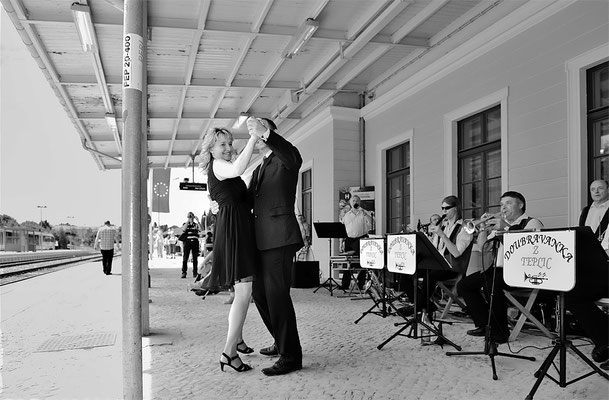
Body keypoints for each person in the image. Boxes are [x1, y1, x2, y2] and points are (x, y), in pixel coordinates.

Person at [246, 117, 304, 376]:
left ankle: (291, 356)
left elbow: (293, 156)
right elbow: (246, 199)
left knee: (277, 296)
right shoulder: (259, 168)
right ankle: (281, 342)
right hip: (260, 240)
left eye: (257, 130)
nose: (254, 135)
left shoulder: (286, 157)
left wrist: (266, 133)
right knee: (259, 293)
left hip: (280, 238)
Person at [201, 126, 259, 373]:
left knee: (242, 291)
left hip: (236, 226)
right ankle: (229, 352)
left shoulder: (222, 170)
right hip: (235, 229)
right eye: (222, 144)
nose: (227, 148)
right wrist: (255, 137)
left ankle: (238, 339)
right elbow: (238, 169)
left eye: (229, 143)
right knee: (244, 292)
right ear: (211, 149)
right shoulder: (219, 166)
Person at [457, 191, 543, 344]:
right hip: (497, 269)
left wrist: (507, 228)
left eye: (508, 203)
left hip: (521, 271)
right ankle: (485, 325)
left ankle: (500, 332)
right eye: (501, 204)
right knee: (464, 285)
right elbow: (483, 247)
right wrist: (483, 228)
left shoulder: (532, 222)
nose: (503, 208)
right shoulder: (500, 225)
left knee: (492, 285)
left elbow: (528, 248)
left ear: (521, 205)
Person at [571, 179, 609, 369]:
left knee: (575, 295)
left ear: (608, 190)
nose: (596, 191)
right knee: (570, 293)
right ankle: (604, 340)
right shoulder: (585, 211)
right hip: (591, 266)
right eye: (592, 189)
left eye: (600, 188)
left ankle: (604, 341)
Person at [413, 196, 474, 315]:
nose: (444, 211)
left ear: (456, 208)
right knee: (409, 272)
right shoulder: (444, 226)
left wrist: (442, 235)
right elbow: (436, 249)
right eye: (442, 208)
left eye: (447, 208)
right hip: (439, 263)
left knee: (430, 275)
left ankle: (418, 308)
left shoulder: (466, 227)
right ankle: (426, 306)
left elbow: (456, 253)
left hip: (454, 266)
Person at [339, 195, 373, 290]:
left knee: (363, 261)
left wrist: (365, 213)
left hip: (361, 239)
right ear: (350, 203)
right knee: (347, 261)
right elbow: (343, 229)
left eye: (357, 200)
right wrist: (341, 242)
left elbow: (372, 223)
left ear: (360, 202)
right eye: (353, 200)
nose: (355, 202)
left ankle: (360, 283)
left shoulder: (364, 213)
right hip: (349, 240)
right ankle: (345, 284)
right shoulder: (346, 215)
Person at [180, 212, 202, 279]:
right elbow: (183, 229)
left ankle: (195, 273)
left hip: (195, 241)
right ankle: (184, 272)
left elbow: (201, 229)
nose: (191, 218)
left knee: (195, 258)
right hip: (187, 242)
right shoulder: (185, 224)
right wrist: (188, 221)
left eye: (192, 217)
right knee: (185, 258)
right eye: (189, 217)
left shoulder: (196, 225)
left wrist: (198, 221)